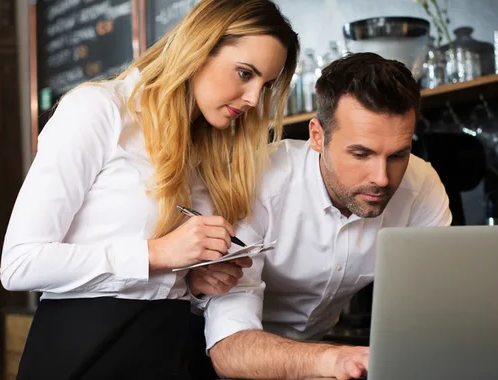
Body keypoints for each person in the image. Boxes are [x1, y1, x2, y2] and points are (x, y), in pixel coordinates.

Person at [0, 0, 299, 378]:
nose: (254, 98)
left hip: (171, 349)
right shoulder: (98, 110)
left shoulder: (210, 147)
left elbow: (163, 280)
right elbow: (20, 264)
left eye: (265, 84)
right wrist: (157, 254)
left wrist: (195, 282)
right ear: (198, 48)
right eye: (244, 73)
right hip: (84, 351)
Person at [189, 52, 453, 380]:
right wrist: (333, 359)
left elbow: (437, 308)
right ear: (317, 136)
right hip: (215, 361)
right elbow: (229, 349)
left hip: (322, 358)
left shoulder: (421, 185)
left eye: (398, 155)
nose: (382, 178)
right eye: (361, 154)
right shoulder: (257, 182)